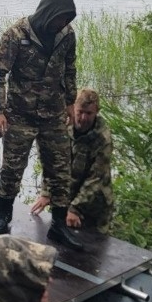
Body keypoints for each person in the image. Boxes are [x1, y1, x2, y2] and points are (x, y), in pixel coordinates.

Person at [0, 0, 83, 251]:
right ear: (48, 13)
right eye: (61, 18)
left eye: (67, 19)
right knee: (12, 168)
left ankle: (59, 225)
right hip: (21, 113)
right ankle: (3, 215)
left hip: (53, 113)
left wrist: (71, 102)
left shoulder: (67, 35)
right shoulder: (16, 35)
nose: (63, 23)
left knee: (61, 168)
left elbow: (70, 67)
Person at [31, 88, 113, 233]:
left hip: (93, 204)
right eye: (80, 112)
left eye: (89, 113)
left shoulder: (103, 138)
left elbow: (96, 178)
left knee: (92, 247)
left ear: (97, 111)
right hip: (66, 197)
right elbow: (52, 163)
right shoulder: (63, 128)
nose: (83, 118)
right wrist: (46, 192)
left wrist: (76, 208)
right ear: (73, 108)